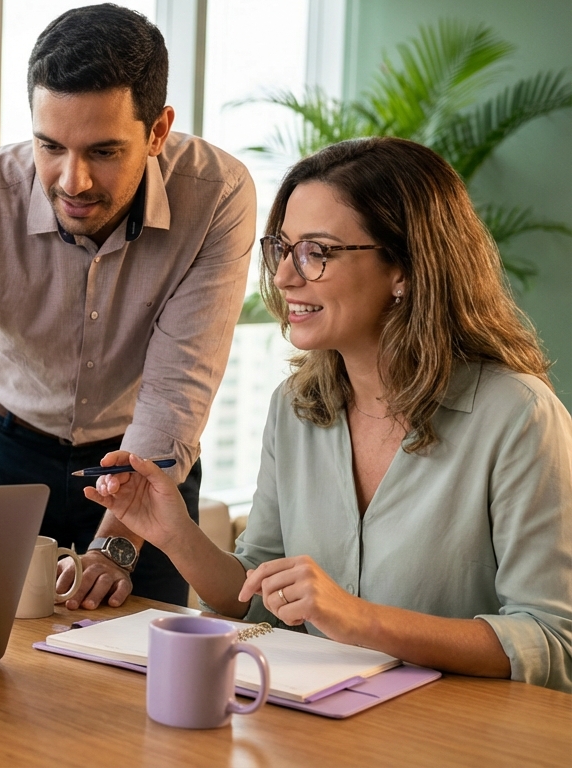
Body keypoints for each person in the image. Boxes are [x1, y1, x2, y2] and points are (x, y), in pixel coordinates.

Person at [87, 136, 572, 691]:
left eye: (317, 252)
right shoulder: (293, 408)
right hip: (316, 730)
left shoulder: (519, 417)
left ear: (405, 269)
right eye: (282, 248)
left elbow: (551, 640)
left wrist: (358, 619)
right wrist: (175, 534)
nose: (286, 277)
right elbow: (258, 598)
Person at [0, 3, 255, 607]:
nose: (72, 180)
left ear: (158, 131)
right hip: (1, 453)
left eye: (103, 152)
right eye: (49, 146)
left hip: (145, 463)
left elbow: (176, 392)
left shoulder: (217, 195)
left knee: (142, 678)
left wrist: (117, 543)